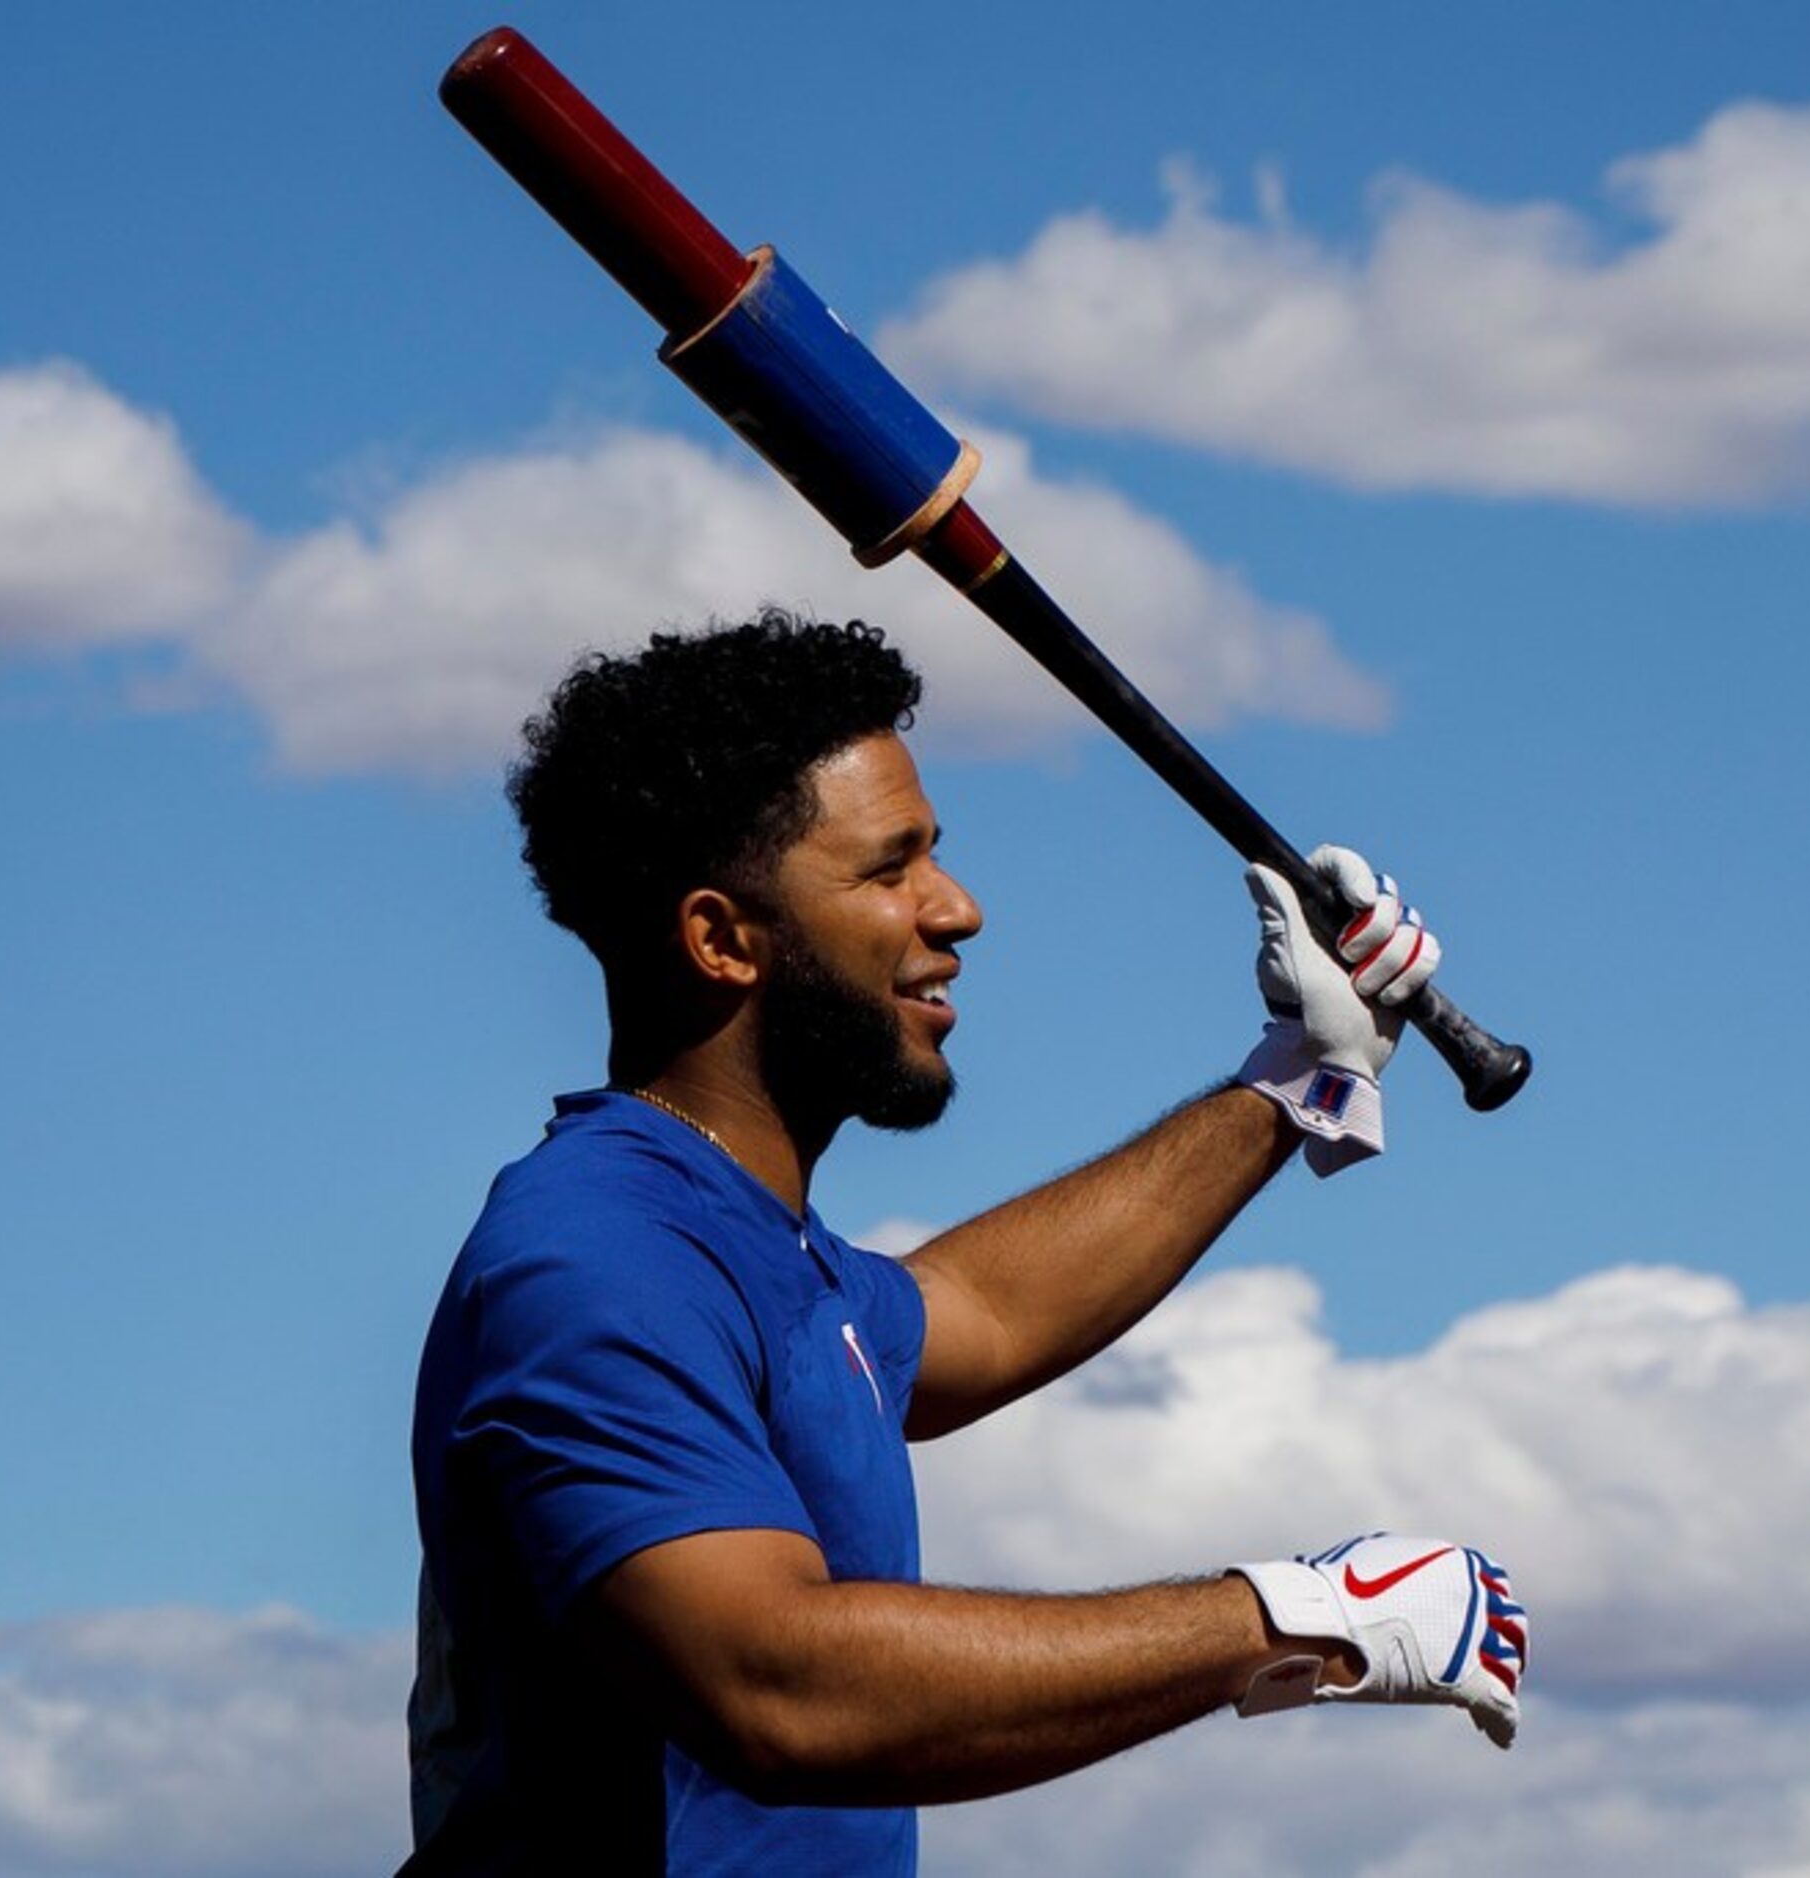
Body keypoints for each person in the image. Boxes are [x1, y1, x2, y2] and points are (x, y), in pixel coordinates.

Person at [401, 610, 1526, 1875]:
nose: (959, 909)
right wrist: (1295, 1619)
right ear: (722, 939)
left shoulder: (750, 1243)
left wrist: (1294, 1083)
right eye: (889, 871)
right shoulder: (596, 1261)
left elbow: (979, 1314)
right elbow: (778, 1689)